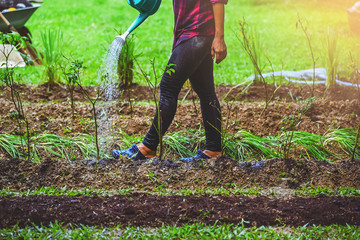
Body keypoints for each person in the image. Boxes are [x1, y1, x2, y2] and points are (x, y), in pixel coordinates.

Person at [113, 0, 228, 162]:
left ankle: (147, 147)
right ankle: (214, 150)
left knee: (168, 87)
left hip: (197, 32)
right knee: (206, 92)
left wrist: (219, 37)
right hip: (192, 32)